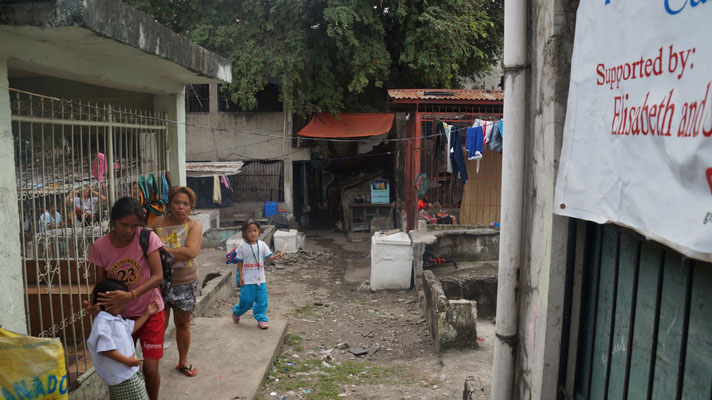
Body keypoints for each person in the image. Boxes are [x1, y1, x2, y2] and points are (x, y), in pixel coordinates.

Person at [87, 197, 165, 400]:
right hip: (118, 317)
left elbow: (158, 276)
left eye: (134, 226)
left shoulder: (147, 237)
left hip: (150, 310)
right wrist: (96, 305)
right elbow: (101, 283)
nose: (129, 230)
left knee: (149, 368)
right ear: (113, 220)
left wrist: (130, 295)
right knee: (124, 367)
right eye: (124, 225)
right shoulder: (100, 246)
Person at [147, 186, 202, 377]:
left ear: (191, 207)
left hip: (184, 281)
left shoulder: (194, 225)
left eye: (186, 204)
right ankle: (152, 364)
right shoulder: (156, 223)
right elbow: (142, 243)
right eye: (177, 202)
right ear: (169, 204)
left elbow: (191, 252)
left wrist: (158, 251)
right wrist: (175, 251)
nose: (181, 207)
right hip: (159, 282)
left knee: (182, 323)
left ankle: (183, 361)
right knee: (157, 324)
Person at [87, 278, 159, 400]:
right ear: (108, 305)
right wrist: (128, 362)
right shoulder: (103, 323)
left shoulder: (114, 318)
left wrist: (147, 313)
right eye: (121, 303)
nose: (124, 307)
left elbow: (131, 328)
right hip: (123, 377)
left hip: (126, 374)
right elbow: (106, 349)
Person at [231, 219, 283, 329]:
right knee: (247, 301)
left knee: (262, 300)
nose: (253, 233)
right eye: (250, 231)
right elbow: (239, 262)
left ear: (258, 231)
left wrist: (276, 256)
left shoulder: (262, 245)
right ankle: (237, 312)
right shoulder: (242, 247)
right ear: (245, 233)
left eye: (255, 230)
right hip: (247, 279)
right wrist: (240, 276)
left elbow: (269, 257)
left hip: (260, 280)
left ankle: (261, 318)